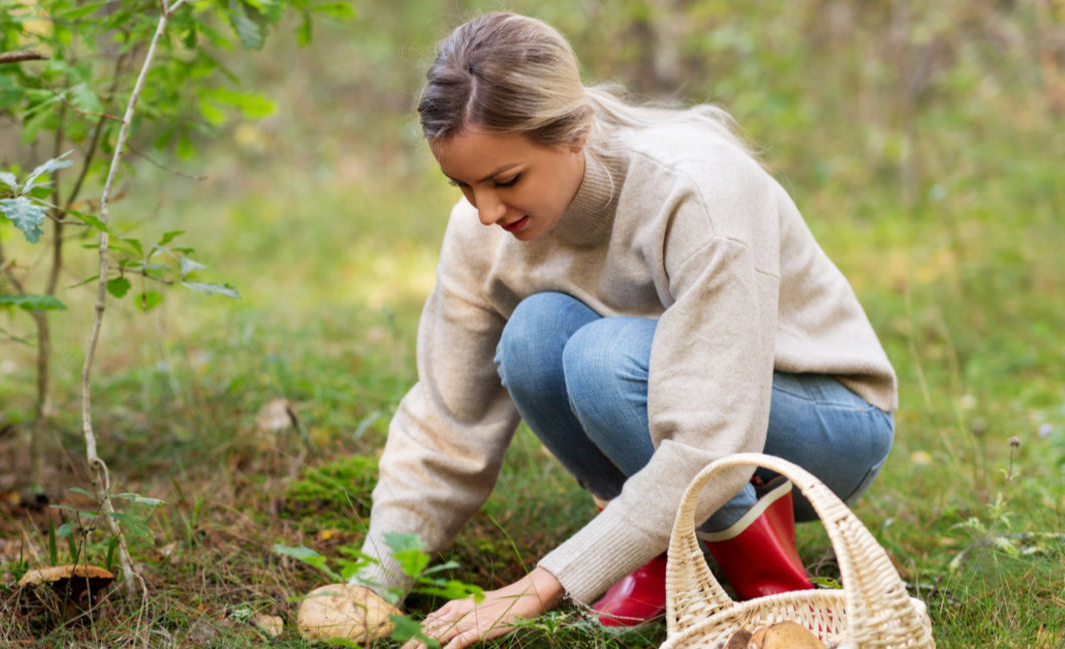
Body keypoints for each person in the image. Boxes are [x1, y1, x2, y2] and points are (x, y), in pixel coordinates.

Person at [336, 11, 896, 649]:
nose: (485, 211)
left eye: (506, 180)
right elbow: (447, 422)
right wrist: (373, 584)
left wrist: (539, 586)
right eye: (462, 185)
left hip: (821, 422)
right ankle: (648, 553)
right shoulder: (481, 235)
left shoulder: (697, 189)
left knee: (602, 358)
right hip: (673, 410)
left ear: (574, 134)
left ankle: (774, 585)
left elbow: (711, 437)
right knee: (533, 335)